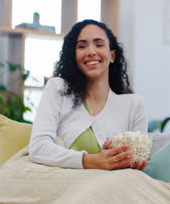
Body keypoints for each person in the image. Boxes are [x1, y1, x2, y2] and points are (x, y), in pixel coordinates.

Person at [29, 19, 148, 171]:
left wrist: (132, 164)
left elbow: (135, 163)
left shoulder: (134, 105)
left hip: (114, 186)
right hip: (66, 184)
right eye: (82, 46)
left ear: (112, 55)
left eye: (99, 44)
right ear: (74, 56)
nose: (91, 51)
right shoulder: (58, 89)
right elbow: (38, 148)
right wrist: (90, 161)